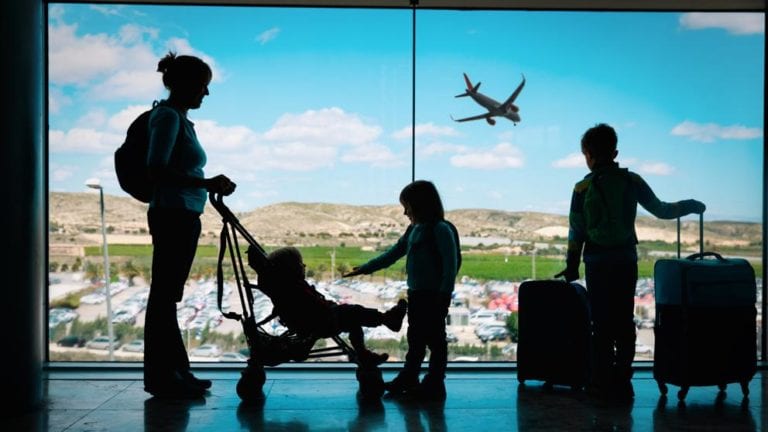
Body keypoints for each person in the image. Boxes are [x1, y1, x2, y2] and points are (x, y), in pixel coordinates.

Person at [555, 123, 705, 401]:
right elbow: (661, 210)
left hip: (597, 262)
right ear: (615, 152)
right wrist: (690, 205)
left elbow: (576, 231)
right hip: (625, 260)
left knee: (600, 323)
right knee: (624, 321)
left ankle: (600, 382)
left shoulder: (582, 188)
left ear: (587, 154)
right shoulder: (631, 181)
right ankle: (623, 380)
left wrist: (572, 265)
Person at [143, 52, 237, 399]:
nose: (206, 93)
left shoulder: (178, 119)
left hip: (180, 214)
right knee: (163, 297)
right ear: (184, 84)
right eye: (202, 85)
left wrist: (204, 185)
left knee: (167, 297)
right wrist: (206, 183)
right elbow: (157, 168)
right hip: (174, 215)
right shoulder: (168, 117)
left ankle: (176, 372)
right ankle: (164, 377)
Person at [344, 180, 458, 401]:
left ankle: (433, 383)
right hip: (417, 294)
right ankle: (412, 378)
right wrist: (365, 268)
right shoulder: (414, 230)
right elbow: (394, 253)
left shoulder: (440, 230)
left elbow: (449, 268)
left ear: (420, 205)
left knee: (435, 341)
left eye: (407, 207)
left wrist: (443, 297)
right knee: (416, 339)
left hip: (433, 297)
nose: (405, 212)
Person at [260, 246, 408, 366]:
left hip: (317, 322)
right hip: (322, 322)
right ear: (291, 269)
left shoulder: (286, 289)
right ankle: (387, 320)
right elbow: (316, 308)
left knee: (353, 321)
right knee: (354, 312)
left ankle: (364, 353)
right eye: (300, 264)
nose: (304, 266)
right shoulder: (296, 289)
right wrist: (331, 307)